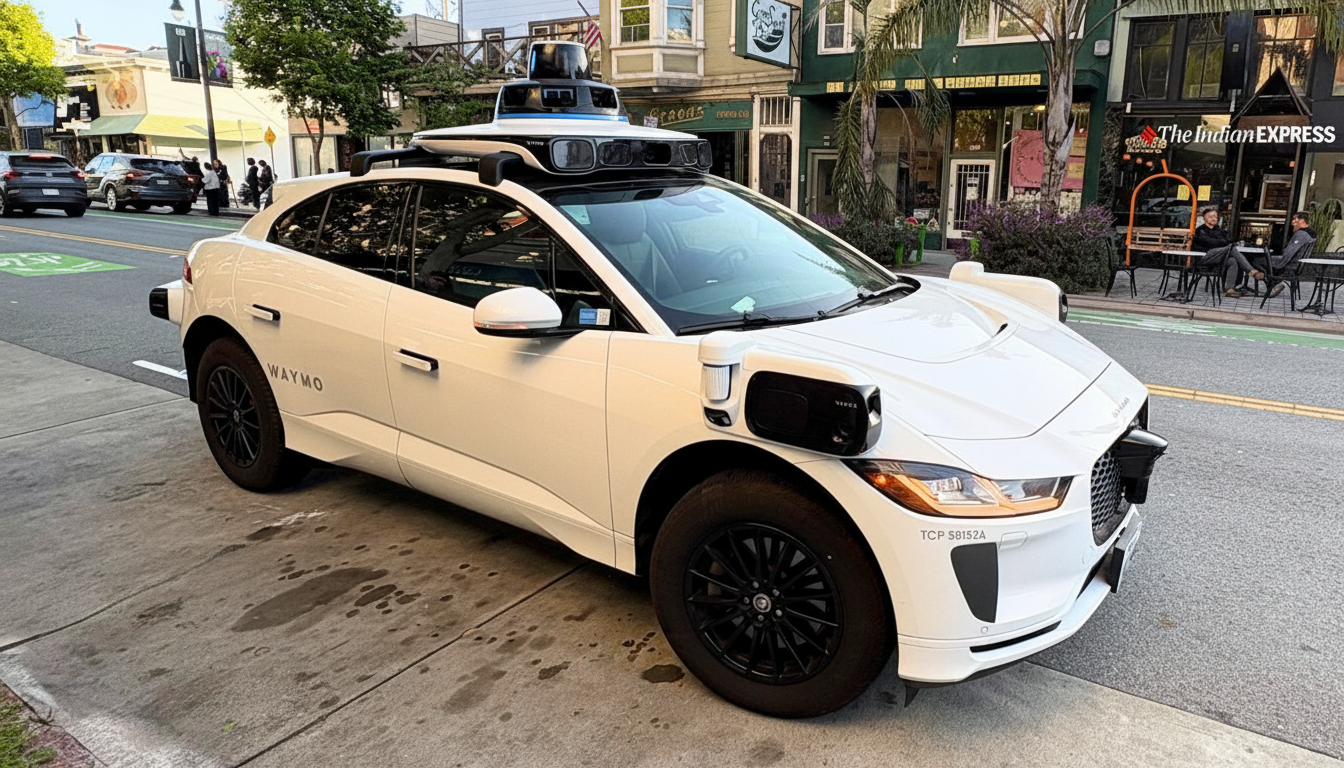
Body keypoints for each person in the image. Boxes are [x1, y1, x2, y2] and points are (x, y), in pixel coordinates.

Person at [1186, 208, 1262, 298]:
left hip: (1219, 258)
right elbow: (1212, 243)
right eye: (1210, 217)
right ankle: (1252, 271)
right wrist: (1224, 243)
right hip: (1204, 258)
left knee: (1232, 260)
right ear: (1205, 218)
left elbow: (1230, 239)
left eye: (1215, 216)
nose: (1214, 218)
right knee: (1231, 248)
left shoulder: (1219, 230)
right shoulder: (1200, 230)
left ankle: (1229, 289)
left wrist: (1224, 243)